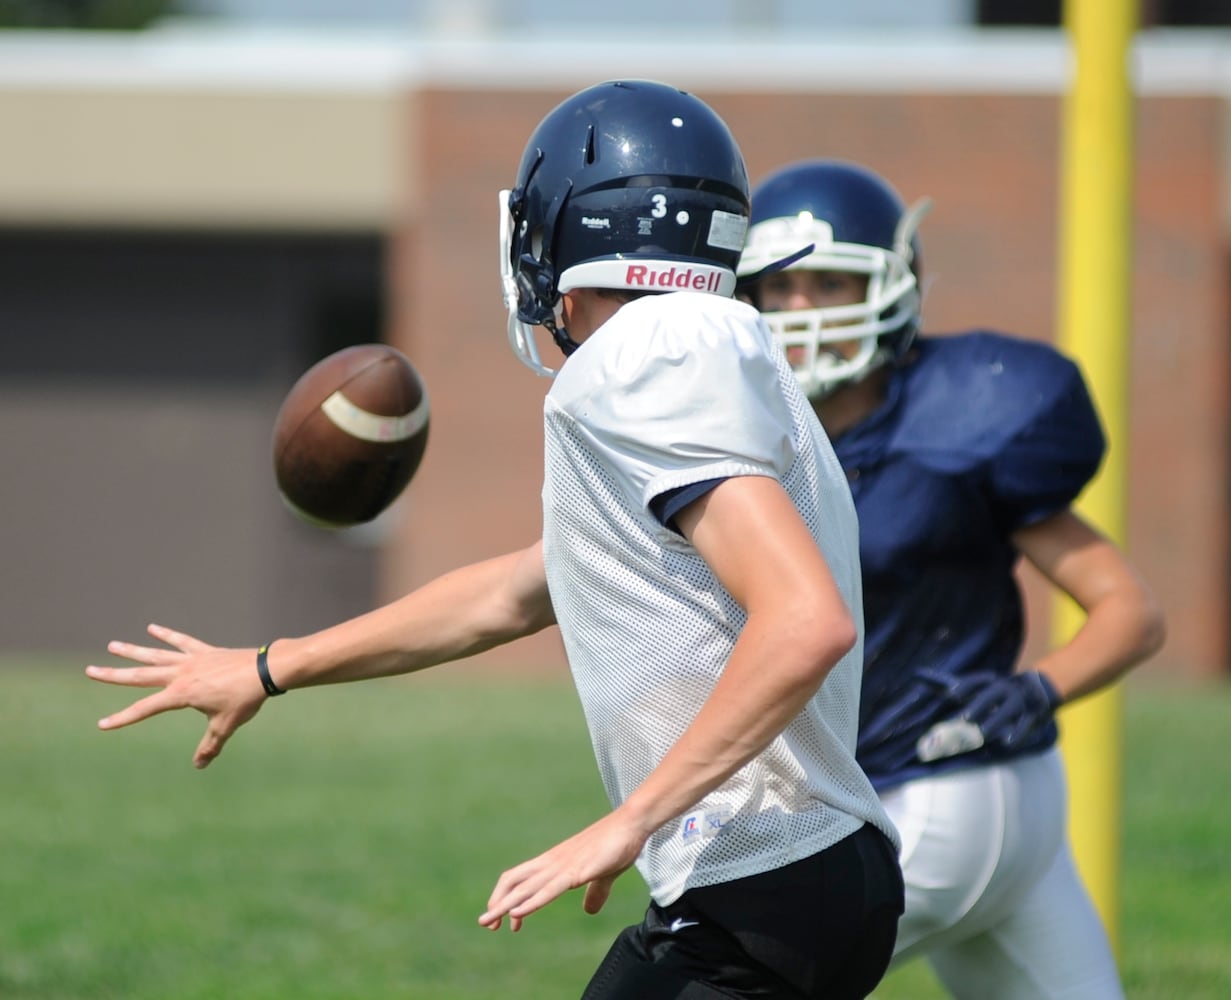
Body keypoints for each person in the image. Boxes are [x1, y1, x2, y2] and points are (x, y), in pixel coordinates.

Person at [86, 84, 904, 1000]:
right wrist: (275, 666)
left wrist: (626, 822)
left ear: (565, 227)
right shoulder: (713, 344)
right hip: (800, 882)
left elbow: (803, 621)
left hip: (760, 890)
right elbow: (517, 591)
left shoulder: (646, 354)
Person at [737, 158, 1167, 1000]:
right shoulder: (744, 428)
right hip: (963, 806)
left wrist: (1041, 688)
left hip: (938, 790)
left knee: (731, 983)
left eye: (828, 284)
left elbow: (1128, 610)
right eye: (779, 289)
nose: (799, 312)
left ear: (893, 285)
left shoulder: (962, 417)